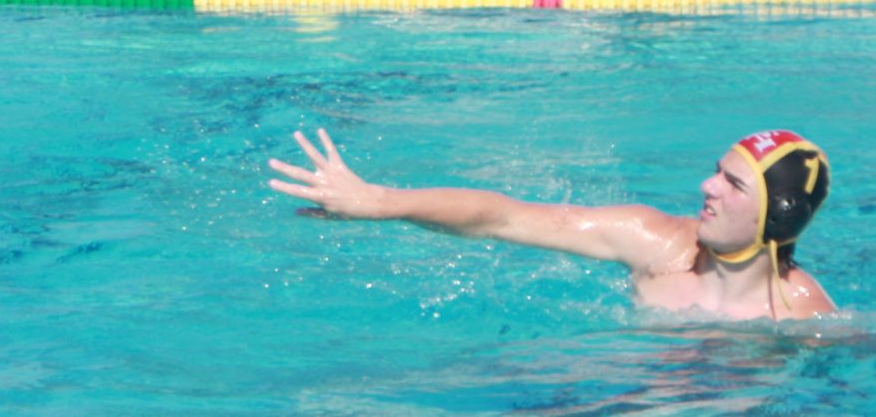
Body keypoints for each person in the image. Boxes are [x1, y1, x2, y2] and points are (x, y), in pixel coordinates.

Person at [268, 128, 834, 321]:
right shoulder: (654, 242)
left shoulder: (802, 309)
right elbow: (503, 216)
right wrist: (382, 200)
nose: (706, 187)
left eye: (732, 184)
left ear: (778, 216)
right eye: (716, 172)